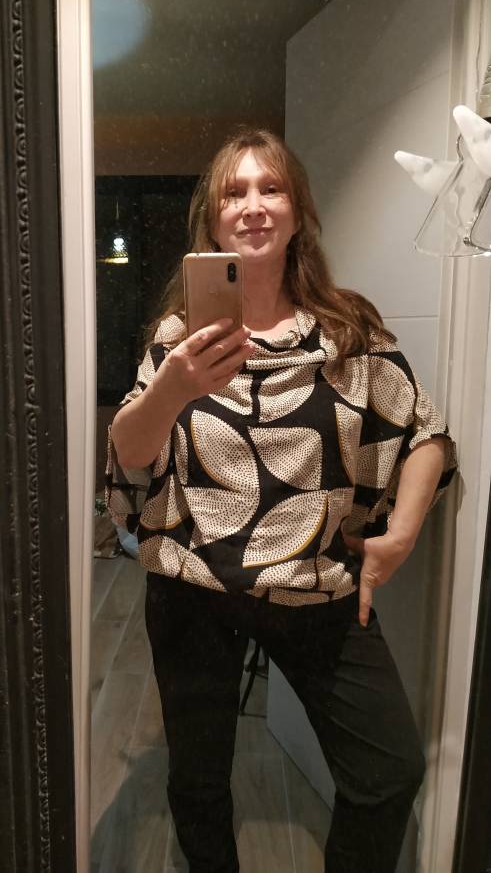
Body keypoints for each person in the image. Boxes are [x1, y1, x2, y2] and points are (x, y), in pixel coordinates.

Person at [106, 127, 457, 873]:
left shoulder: (348, 331)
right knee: (198, 783)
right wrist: (173, 387)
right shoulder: (178, 335)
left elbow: (424, 431)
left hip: (314, 582)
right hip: (193, 588)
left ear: (298, 212)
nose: (254, 205)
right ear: (212, 220)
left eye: (271, 188)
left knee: (389, 772)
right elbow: (129, 453)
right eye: (234, 192)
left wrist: (397, 539)